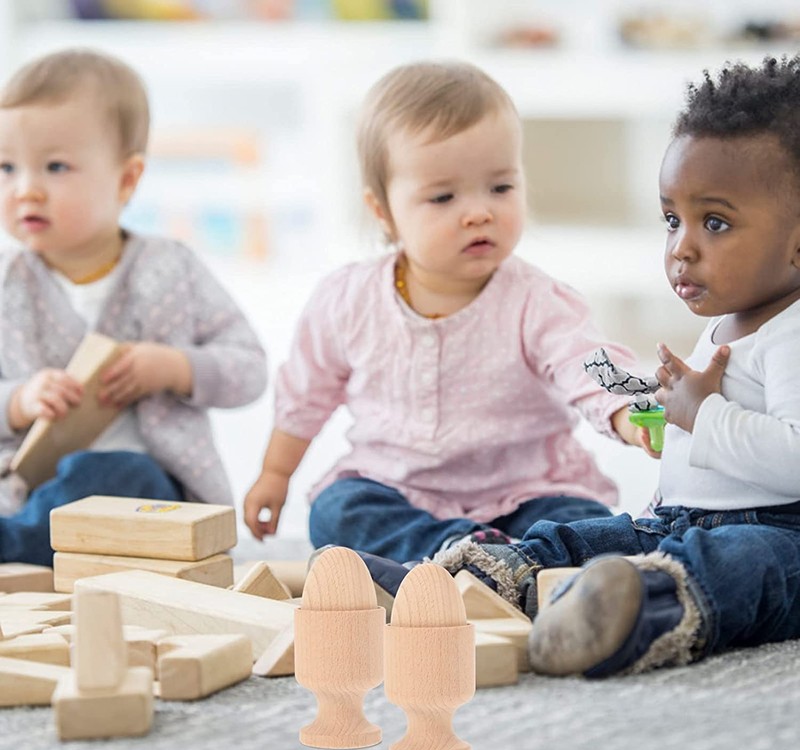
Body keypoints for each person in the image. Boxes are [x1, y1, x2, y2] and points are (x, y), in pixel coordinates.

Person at [437, 55, 800, 678]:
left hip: (780, 533)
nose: (681, 246)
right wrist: (669, 411)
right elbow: (718, 437)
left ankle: (644, 609)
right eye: (671, 219)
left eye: (714, 222)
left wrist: (705, 415)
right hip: (685, 520)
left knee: (743, 565)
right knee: (605, 534)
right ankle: (485, 579)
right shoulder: (729, 318)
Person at [244, 61, 653, 566]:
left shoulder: (536, 300)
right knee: (336, 513)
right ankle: (470, 557)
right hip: (398, 489)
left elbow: (586, 364)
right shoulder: (348, 300)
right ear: (384, 212)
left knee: (577, 519)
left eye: (500, 188)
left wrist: (628, 413)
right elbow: (304, 394)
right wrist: (275, 475)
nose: (479, 211)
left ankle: (488, 564)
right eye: (443, 196)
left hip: (527, 491)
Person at [0, 49, 267, 565]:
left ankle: (18, 547)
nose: (25, 189)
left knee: (113, 474)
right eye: (5, 167)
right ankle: (31, 540)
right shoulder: (7, 283)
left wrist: (176, 367)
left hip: (149, 493)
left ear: (126, 180)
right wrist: (19, 400)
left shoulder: (170, 267)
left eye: (55, 167)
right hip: (27, 489)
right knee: (61, 486)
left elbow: (250, 368)